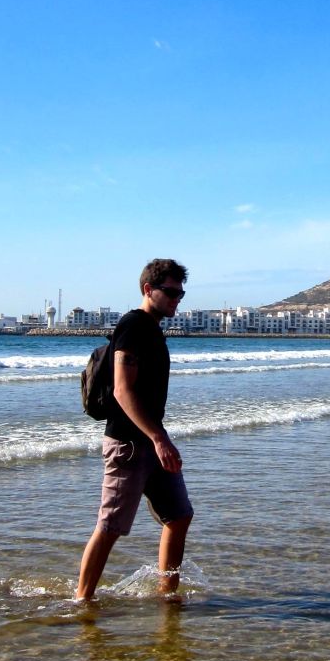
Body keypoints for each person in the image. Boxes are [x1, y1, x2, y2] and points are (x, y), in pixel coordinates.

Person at [76, 258, 193, 602]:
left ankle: (167, 595)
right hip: (128, 445)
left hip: (153, 443)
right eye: (170, 292)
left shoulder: (153, 329)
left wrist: (158, 439)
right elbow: (122, 390)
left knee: (179, 516)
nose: (176, 299)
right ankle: (81, 600)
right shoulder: (133, 326)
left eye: (180, 294)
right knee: (110, 527)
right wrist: (159, 439)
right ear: (148, 289)